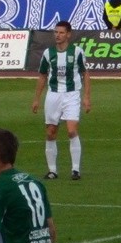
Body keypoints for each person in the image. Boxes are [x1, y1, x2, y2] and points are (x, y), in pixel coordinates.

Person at [31, 21, 91, 180]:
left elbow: (85, 73)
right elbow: (42, 75)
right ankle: (52, 170)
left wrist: (86, 97)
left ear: (68, 34)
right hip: (53, 95)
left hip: (71, 94)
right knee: (51, 132)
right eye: (56, 32)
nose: (57, 35)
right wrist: (36, 99)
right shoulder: (48, 53)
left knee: (71, 130)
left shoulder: (77, 52)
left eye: (61, 32)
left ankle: (75, 170)